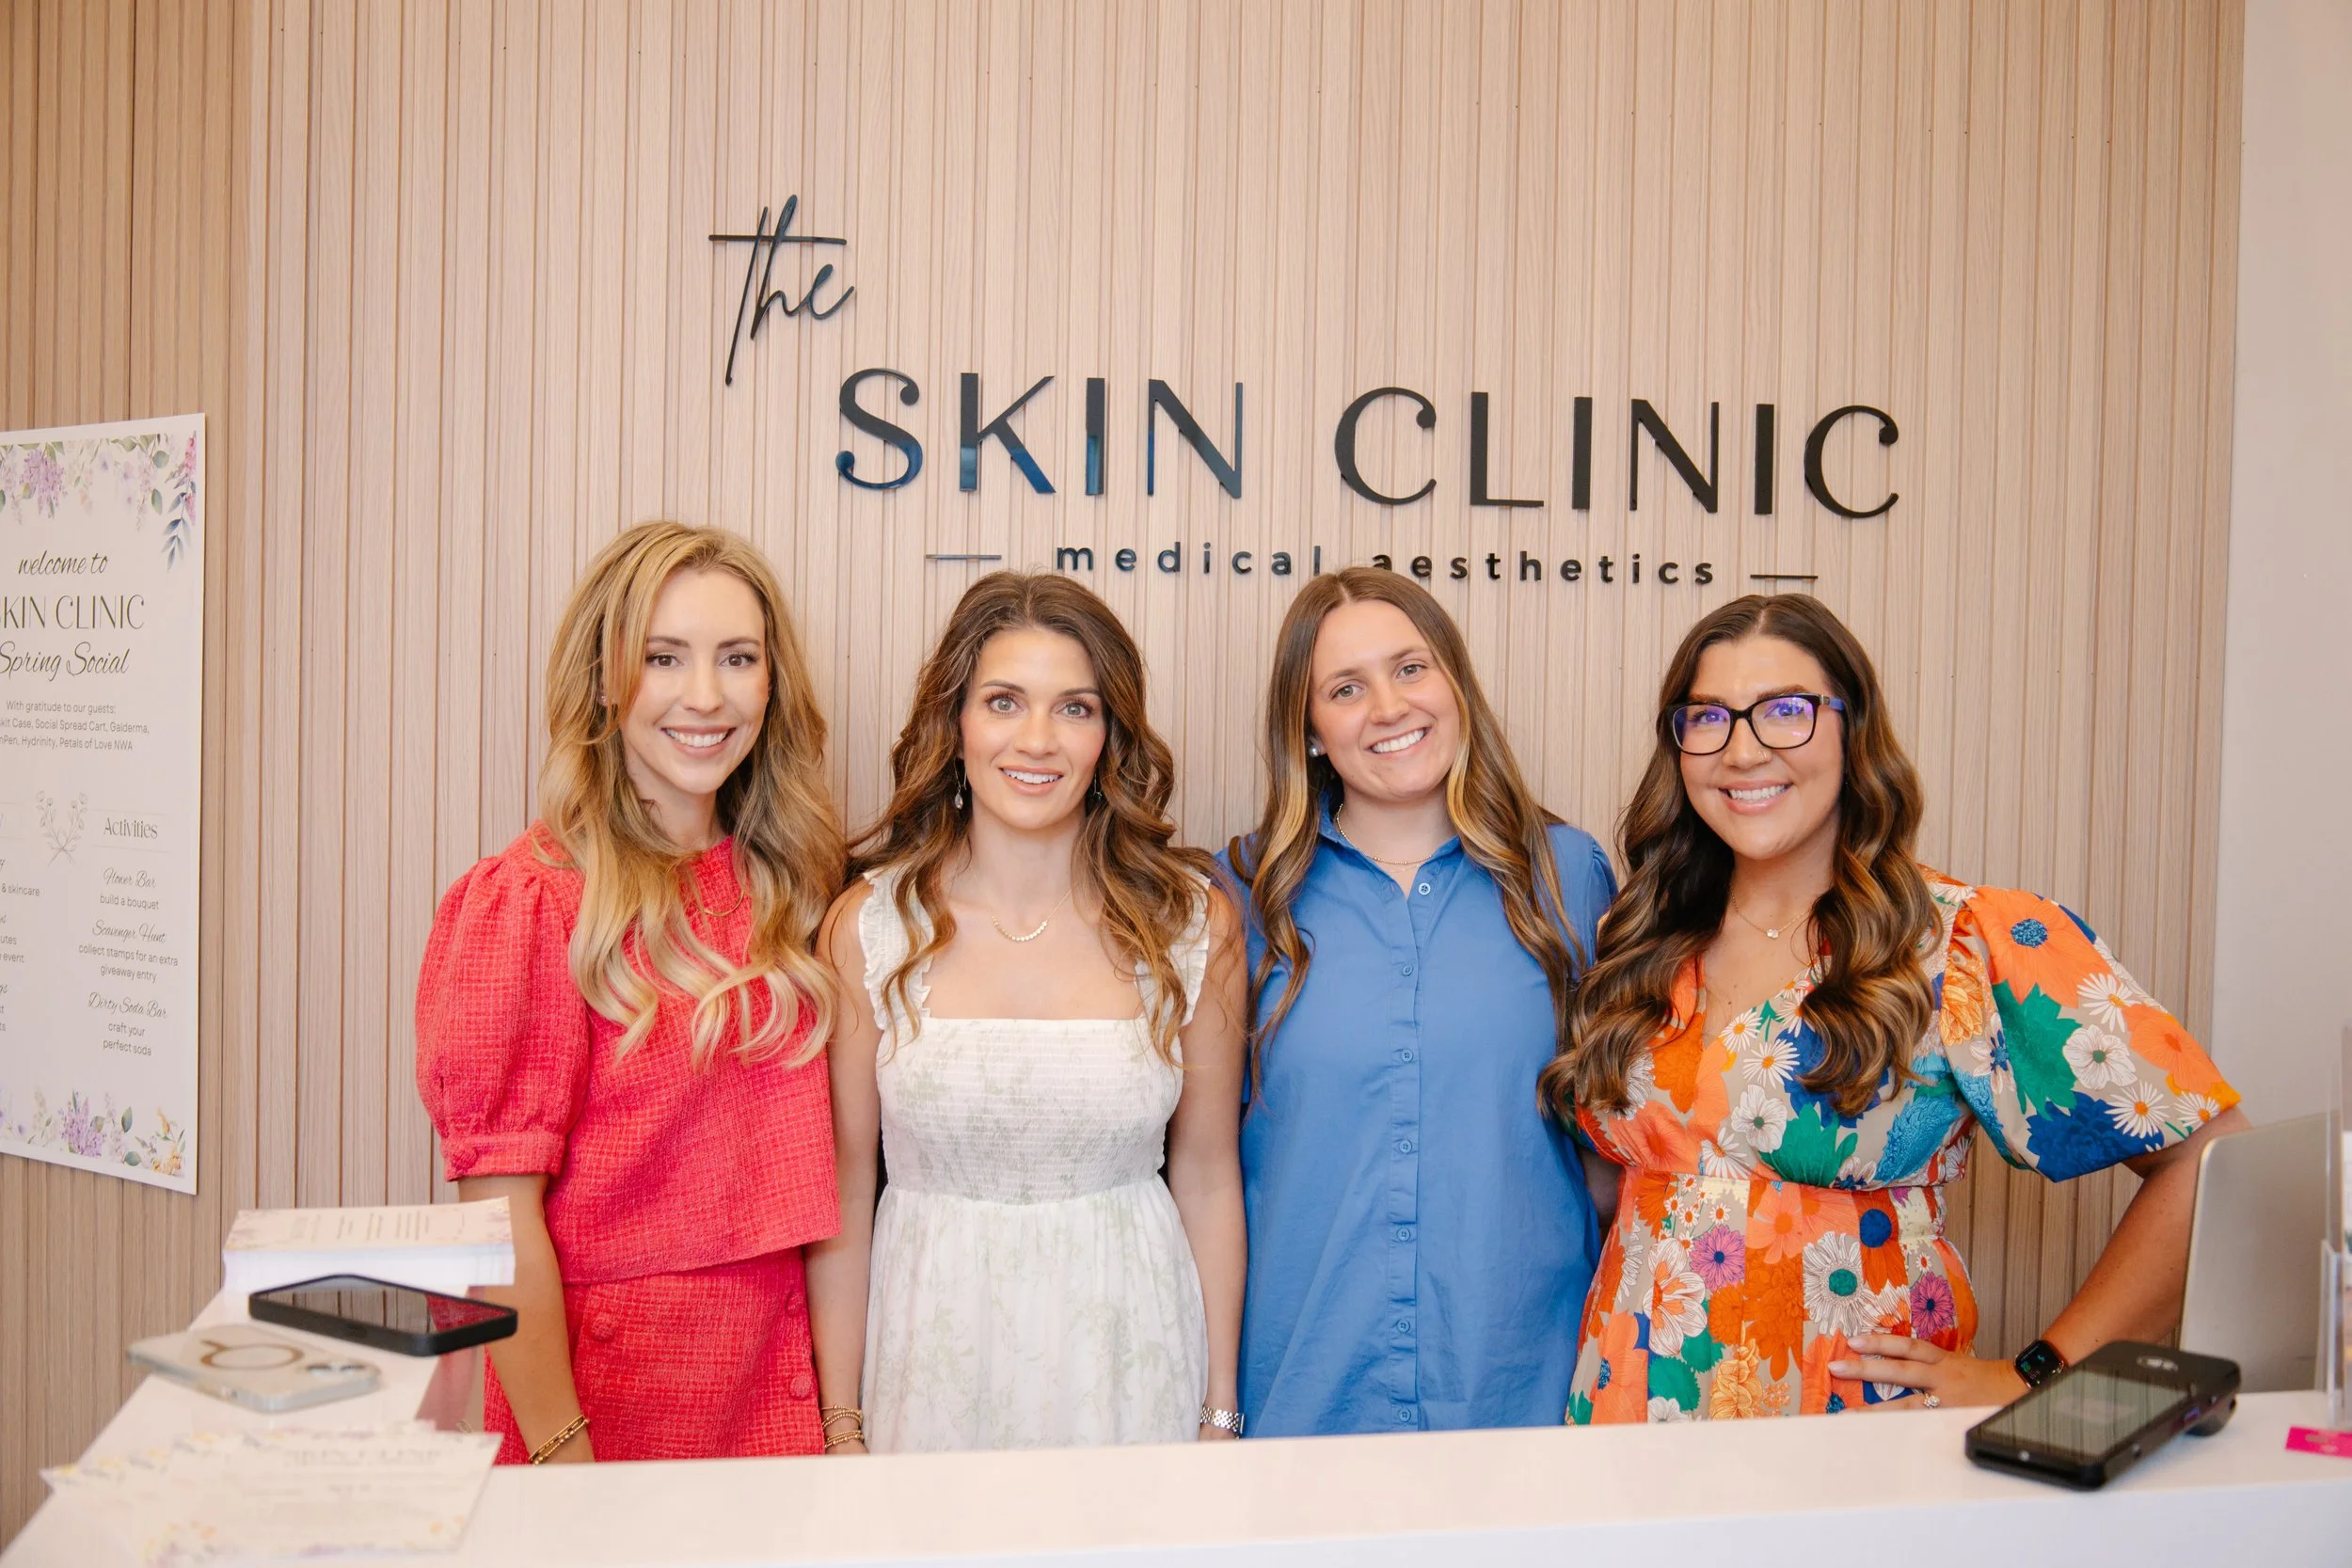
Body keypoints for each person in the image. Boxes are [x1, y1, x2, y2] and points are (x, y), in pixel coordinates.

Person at [1545, 593, 2246, 1422]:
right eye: (1707, 718)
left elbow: (2209, 1163)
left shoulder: (1962, 942)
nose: (1743, 749)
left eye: (1786, 711)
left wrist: (2037, 1376)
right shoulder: (1636, 938)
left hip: (1848, 1428)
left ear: (1854, 730)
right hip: (1627, 1416)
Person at [414, 521, 845, 1463]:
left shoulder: (790, 882)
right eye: (663, 657)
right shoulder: (531, 900)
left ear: (773, 684)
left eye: (738, 657)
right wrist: (562, 1451)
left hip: (774, 1408)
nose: (705, 695)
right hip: (602, 1418)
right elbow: (495, 1224)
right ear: (606, 679)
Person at [806, 572, 1247, 1453]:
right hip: (930, 1352)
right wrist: (842, 1422)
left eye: (1075, 708)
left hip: (1131, 1354)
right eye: (1004, 701)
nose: (1037, 739)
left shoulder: (1191, 923)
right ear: (956, 722)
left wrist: (1218, 1413)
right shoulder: (871, 925)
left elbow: (1205, 1175)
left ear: (1109, 737)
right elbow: (847, 1194)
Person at [1221, 567, 1615, 1436]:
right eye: (1346, 688)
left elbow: (1611, 1147)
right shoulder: (1239, 895)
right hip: (1305, 1389)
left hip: (1520, 1388)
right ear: (1311, 729)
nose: (1389, 707)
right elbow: (1203, 1165)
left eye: (1412, 668)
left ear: (1456, 685)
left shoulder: (1569, 876)